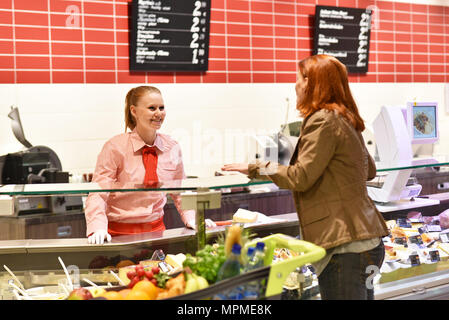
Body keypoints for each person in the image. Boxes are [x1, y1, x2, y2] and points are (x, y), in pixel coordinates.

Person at [222, 54, 389, 300]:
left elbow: (300, 177)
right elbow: (369, 170)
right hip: (367, 242)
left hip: (344, 247)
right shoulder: (345, 117)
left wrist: (256, 168)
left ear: (312, 83)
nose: (295, 84)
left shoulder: (322, 120)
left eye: (299, 78)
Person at [85, 85, 216, 245]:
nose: (159, 113)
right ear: (134, 111)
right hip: (118, 236)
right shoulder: (114, 147)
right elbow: (98, 192)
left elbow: (180, 191)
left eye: (161, 107)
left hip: (157, 234)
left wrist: (193, 219)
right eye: (152, 108)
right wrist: (97, 227)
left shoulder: (172, 146)